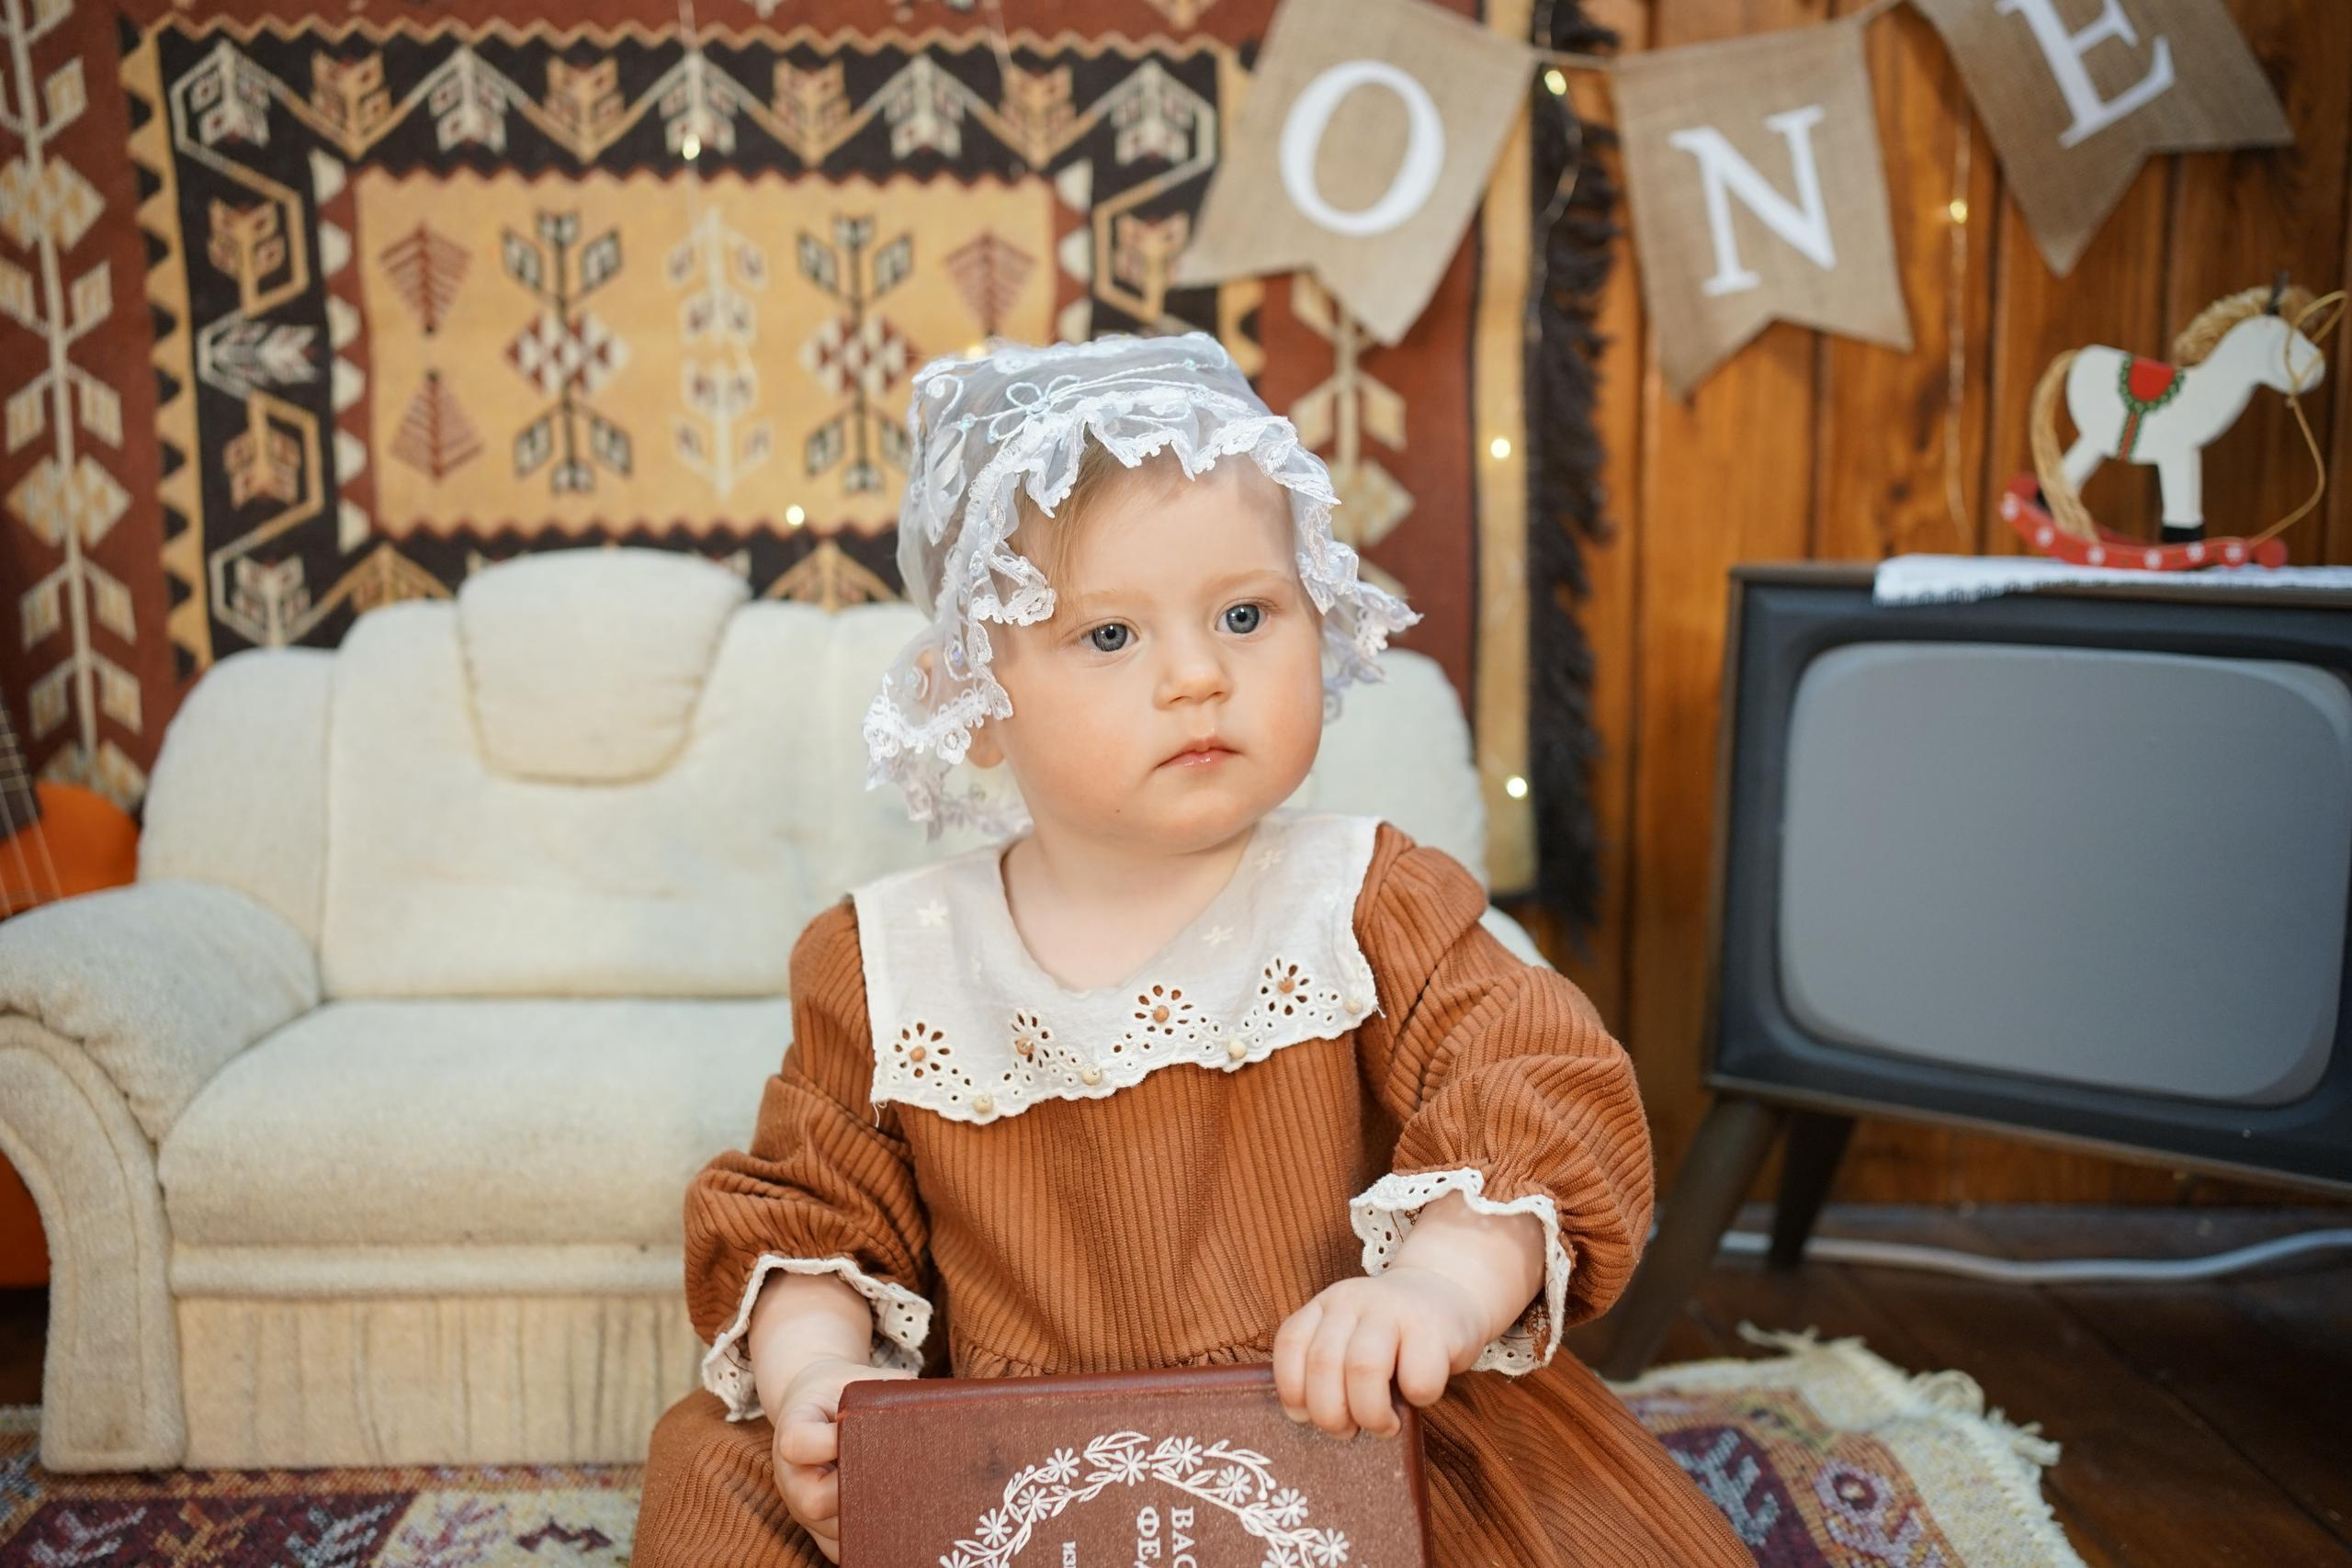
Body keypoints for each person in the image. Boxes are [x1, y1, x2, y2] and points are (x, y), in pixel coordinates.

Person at [632, 333, 1750, 1567]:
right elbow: (815, 1216)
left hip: (1336, 1425)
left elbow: (1532, 1084)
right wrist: (818, 1378)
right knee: (718, 1475)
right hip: (1020, 1470)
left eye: (1244, 613)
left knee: (1537, 1522)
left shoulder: (1366, 899)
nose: (1199, 676)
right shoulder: (887, 961)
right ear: (977, 699)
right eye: (1110, 637)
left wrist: (1430, 1294)